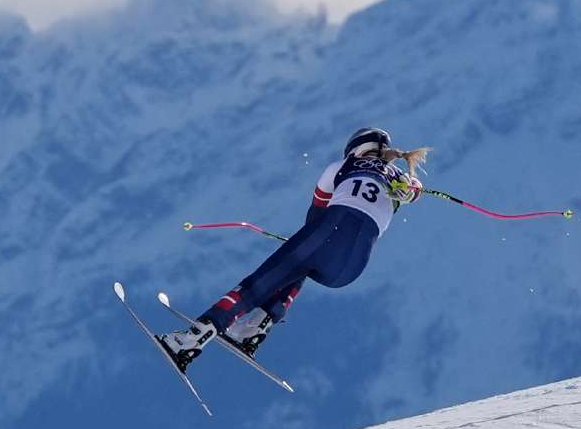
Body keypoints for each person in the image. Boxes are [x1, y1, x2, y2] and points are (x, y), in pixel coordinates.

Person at [157, 127, 428, 371]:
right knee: (302, 267)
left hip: (329, 231)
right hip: (351, 268)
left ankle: (189, 341)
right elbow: (415, 189)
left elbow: (315, 214)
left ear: (355, 148)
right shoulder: (399, 180)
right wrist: (410, 191)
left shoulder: (342, 166)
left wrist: (302, 242)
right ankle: (255, 327)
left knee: (261, 283)